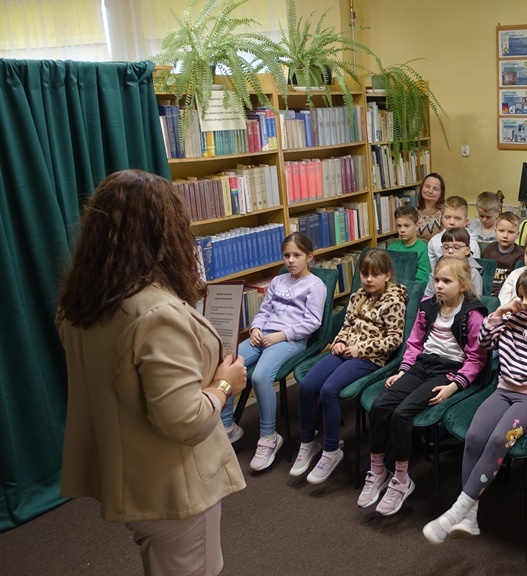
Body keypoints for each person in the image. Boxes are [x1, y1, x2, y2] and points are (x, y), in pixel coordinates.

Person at [57, 169, 247, 576]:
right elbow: (186, 420)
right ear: (166, 233)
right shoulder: (157, 314)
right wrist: (224, 384)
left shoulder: (79, 306)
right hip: (173, 486)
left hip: (130, 476)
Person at [423, 268, 527, 544]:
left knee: (498, 440)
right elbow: (484, 342)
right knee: (474, 437)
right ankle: (470, 516)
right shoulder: (513, 318)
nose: (525, 302)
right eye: (522, 296)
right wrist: (498, 313)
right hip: (503, 390)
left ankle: (458, 511)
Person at [359, 257, 489, 516]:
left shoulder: (473, 314)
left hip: (447, 371)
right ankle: (377, 469)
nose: (439, 285)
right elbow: (415, 344)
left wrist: (454, 385)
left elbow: (477, 359)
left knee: (402, 413)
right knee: (381, 405)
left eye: (447, 281)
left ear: (463, 285)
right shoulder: (428, 306)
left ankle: (401, 479)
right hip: (421, 366)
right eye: (437, 279)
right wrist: (403, 371)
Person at [292, 250, 408, 484]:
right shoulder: (357, 296)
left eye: (375, 275)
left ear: (387, 275)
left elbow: (394, 340)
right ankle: (308, 442)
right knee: (306, 385)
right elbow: (346, 326)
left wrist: (360, 349)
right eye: (364, 274)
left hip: (370, 358)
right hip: (346, 351)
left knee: (329, 390)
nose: (368, 279)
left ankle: (331, 449)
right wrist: (339, 342)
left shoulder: (394, 301)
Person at [221, 232, 327, 472]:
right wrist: (256, 328)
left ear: (309, 257)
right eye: (287, 255)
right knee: (227, 362)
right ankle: (227, 425)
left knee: (260, 376)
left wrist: (281, 335)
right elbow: (264, 311)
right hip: (263, 335)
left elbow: (312, 322)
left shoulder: (315, 285)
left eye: (297, 255)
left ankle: (269, 436)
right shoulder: (278, 281)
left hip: (290, 339)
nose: (291, 260)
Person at [424, 227, 484, 298]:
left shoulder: (472, 273)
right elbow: (427, 295)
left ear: (467, 250)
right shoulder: (437, 270)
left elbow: (476, 299)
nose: (450, 251)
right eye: (446, 247)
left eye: (456, 248)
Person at [427, 196, 482, 269]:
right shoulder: (434, 241)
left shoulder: (472, 244)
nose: (452, 222)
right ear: (442, 219)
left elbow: (474, 270)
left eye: (457, 218)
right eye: (447, 217)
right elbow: (432, 269)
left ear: (465, 222)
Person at [483, 211, 525, 296]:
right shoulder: (489, 249)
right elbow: (483, 274)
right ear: (495, 232)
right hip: (486, 292)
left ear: (518, 234)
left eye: (511, 232)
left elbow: (516, 282)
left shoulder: (520, 255)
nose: (505, 235)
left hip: (506, 294)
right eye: (501, 231)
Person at [388, 205, 430, 284]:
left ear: (416, 226)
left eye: (406, 226)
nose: (402, 230)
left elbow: (422, 279)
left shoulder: (422, 248)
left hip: (412, 288)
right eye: (399, 226)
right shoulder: (391, 248)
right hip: (392, 288)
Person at [416, 173, 446, 241]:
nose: (430, 191)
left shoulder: (446, 213)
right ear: (421, 188)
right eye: (427, 186)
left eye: (435, 189)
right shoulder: (412, 213)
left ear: (441, 193)